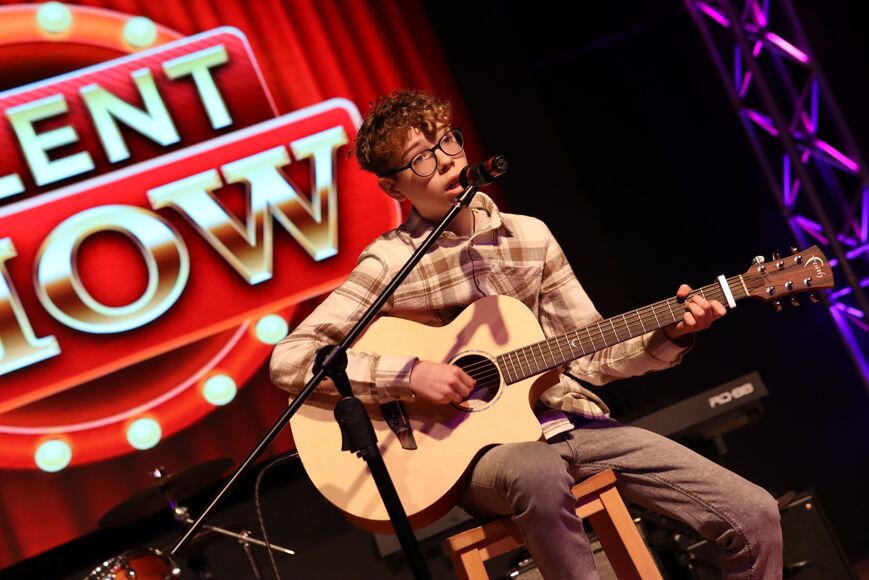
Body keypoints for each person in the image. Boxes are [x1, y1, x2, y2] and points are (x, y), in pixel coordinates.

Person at [269, 89, 782, 579]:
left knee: (753, 513)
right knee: (537, 469)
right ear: (392, 187)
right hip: (482, 457)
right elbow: (291, 357)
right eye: (421, 158)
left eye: (448, 141)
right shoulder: (390, 262)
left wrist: (670, 334)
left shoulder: (528, 236)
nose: (445, 161)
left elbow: (589, 354)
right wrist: (411, 374)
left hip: (572, 424)